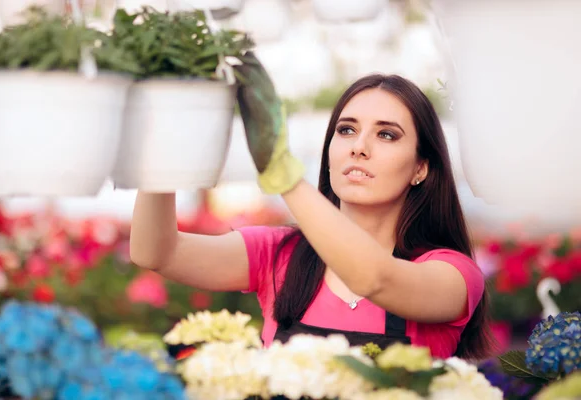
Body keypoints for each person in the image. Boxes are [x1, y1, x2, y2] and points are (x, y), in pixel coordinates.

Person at [130, 52, 495, 360]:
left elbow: (374, 277)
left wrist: (282, 171)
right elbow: (156, 252)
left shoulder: (453, 274)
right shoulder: (278, 255)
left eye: (386, 134)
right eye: (346, 130)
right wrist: (160, 149)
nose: (359, 146)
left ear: (420, 168)